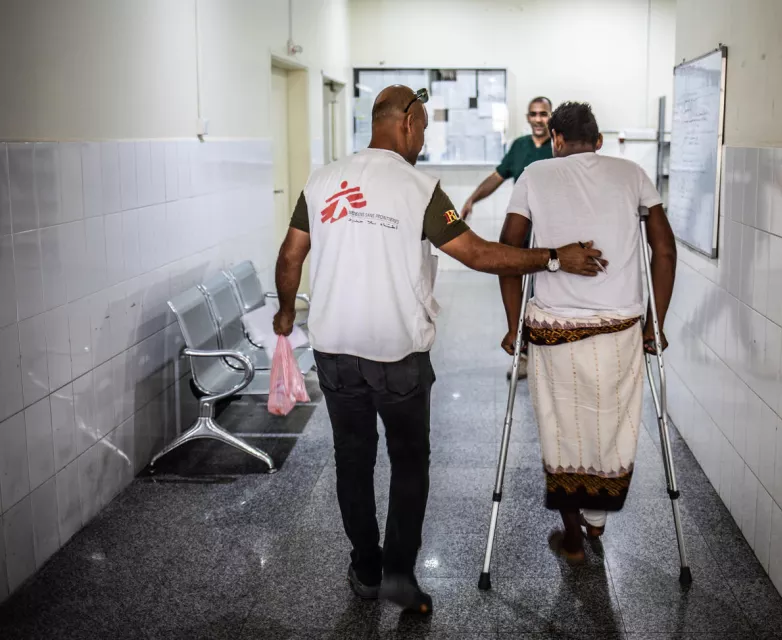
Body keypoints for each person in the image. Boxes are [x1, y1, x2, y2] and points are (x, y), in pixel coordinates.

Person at [272, 86, 606, 614]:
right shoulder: (420, 187)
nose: (424, 140)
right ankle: (400, 576)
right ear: (406, 121)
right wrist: (553, 259)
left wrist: (288, 315)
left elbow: (291, 254)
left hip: (334, 350)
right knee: (408, 463)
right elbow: (475, 253)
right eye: (423, 127)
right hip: (397, 354)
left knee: (351, 460)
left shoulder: (320, 181)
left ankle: (365, 567)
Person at [497, 102, 677, 562]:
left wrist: (511, 324)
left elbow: (507, 251)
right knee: (610, 426)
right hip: (619, 329)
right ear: (599, 141)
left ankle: (573, 535)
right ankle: (596, 521)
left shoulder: (536, 175)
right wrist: (655, 326)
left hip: (554, 329)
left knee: (563, 430)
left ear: (555, 139)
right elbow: (665, 250)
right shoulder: (632, 173)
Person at [462, 96, 554, 381]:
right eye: (534, 114)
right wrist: (472, 199)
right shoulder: (520, 147)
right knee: (521, 294)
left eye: (544, 114)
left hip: (553, 233)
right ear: (527, 118)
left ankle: (550, 356)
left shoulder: (560, 146)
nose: (539, 119)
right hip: (523, 232)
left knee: (549, 294)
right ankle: (523, 353)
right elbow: (497, 176)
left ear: (551, 117)